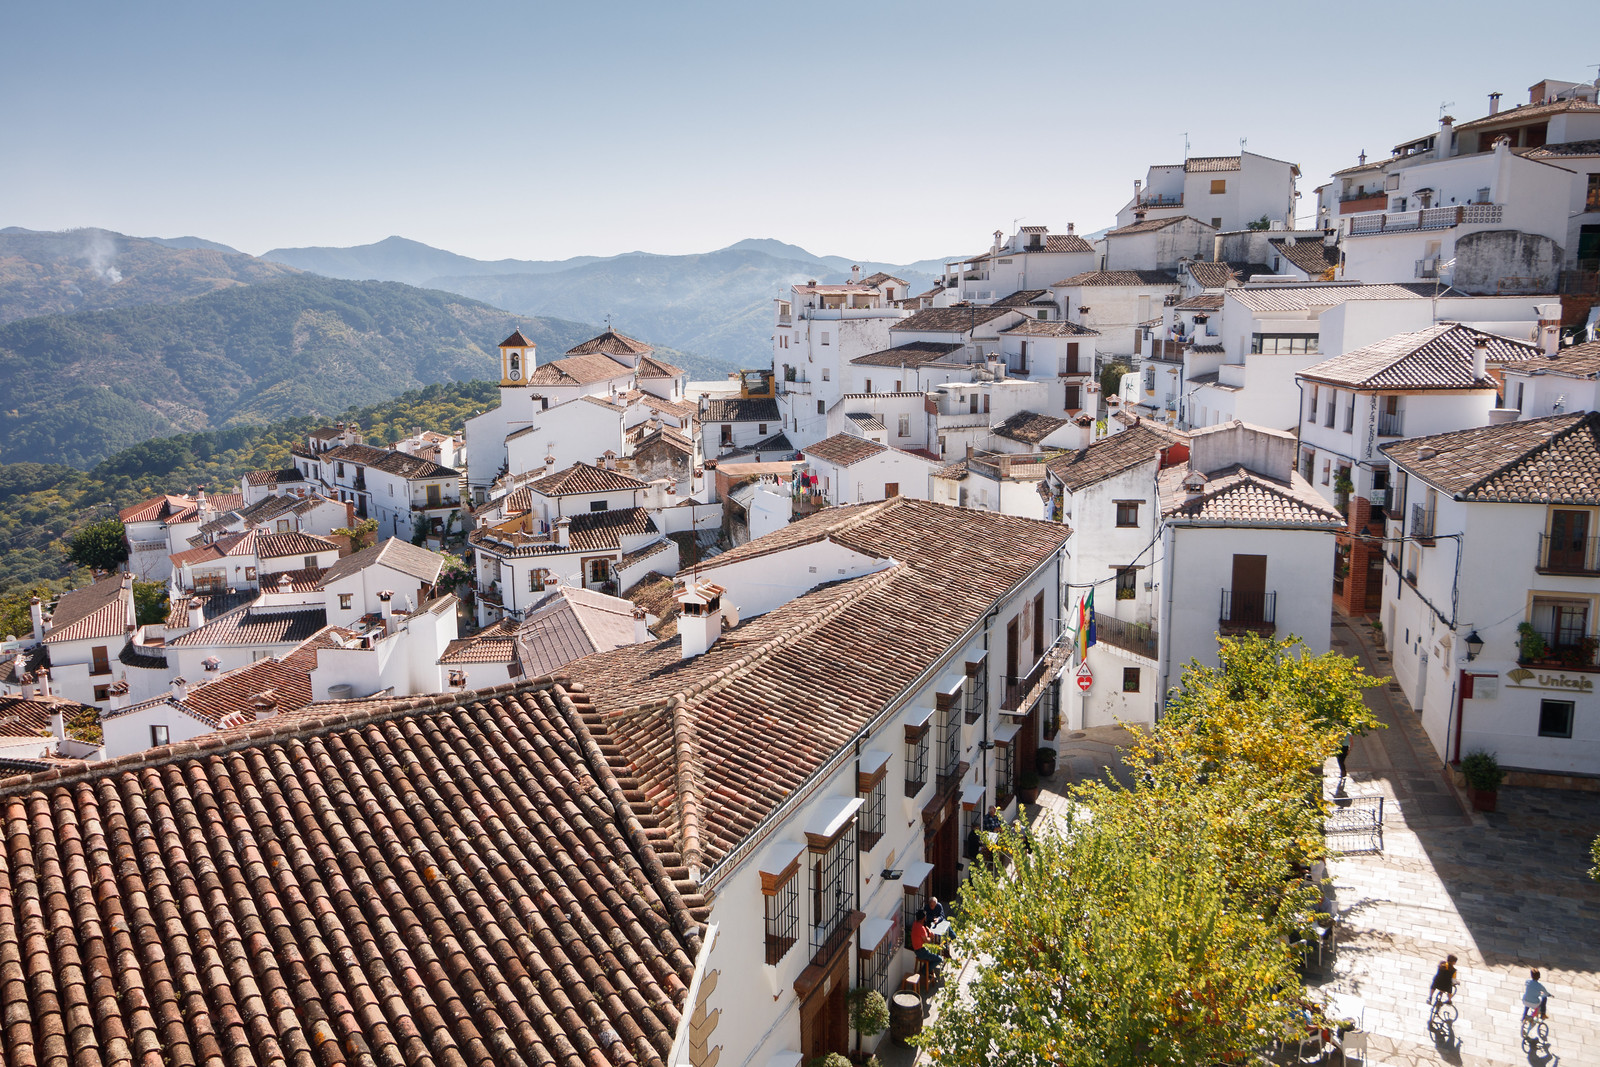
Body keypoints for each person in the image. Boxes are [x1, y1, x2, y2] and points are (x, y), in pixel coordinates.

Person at [910, 911, 942, 976]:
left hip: (917, 949)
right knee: (939, 959)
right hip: (921, 952)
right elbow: (927, 941)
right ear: (924, 918)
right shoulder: (921, 929)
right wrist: (931, 937)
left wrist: (928, 930)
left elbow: (925, 926)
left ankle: (926, 969)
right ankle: (925, 971)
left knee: (932, 956)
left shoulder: (915, 923)